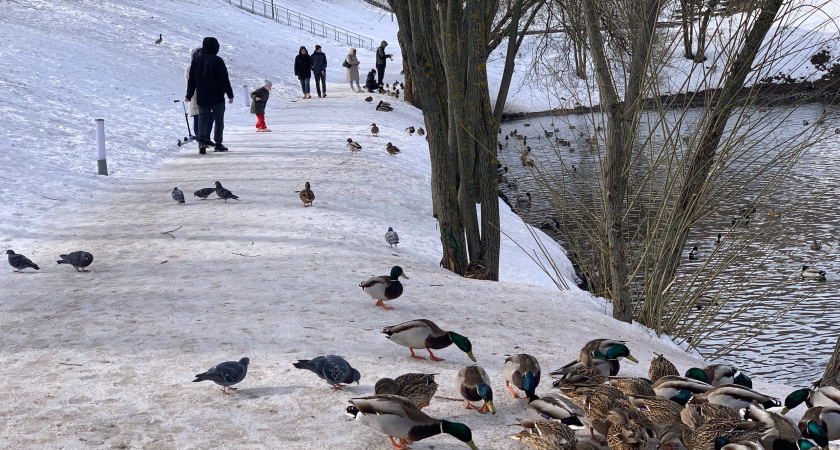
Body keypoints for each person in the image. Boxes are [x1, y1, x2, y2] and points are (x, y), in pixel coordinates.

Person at [186, 37, 234, 153]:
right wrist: (230, 94)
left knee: (203, 119)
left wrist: (188, 95)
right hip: (217, 96)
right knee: (219, 120)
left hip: (202, 96)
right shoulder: (218, 60)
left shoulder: (196, 61)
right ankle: (218, 143)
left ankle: (202, 142)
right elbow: (224, 79)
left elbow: (192, 81)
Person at [184, 48, 213, 145]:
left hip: (209, 97)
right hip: (196, 97)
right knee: (198, 118)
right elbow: (190, 83)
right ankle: (201, 140)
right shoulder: (190, 68)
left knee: (210, 117)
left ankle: (207, 138)